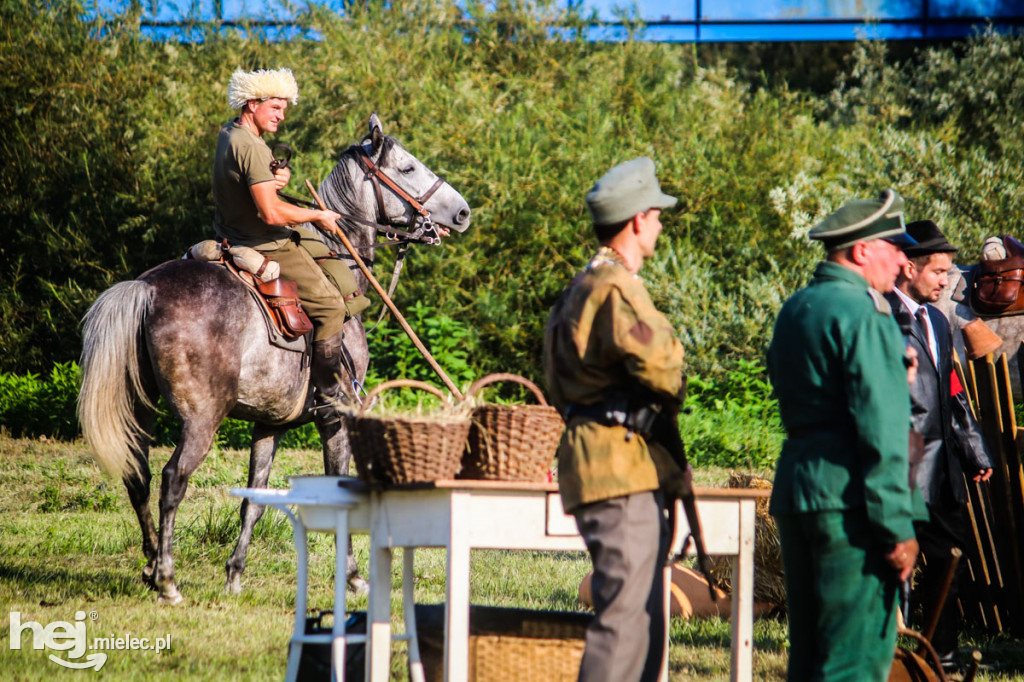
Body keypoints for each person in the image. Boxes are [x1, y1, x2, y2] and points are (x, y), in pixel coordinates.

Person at [767, 188, 921, 682]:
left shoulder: (797, 307)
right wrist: (897, 525)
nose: (902, 262)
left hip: (798, 493)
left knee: (809, 659)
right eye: (894, 247)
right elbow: (880, 427)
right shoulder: (864, 312)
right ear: (861, 251)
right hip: (851, 502)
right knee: (854, 662)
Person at [543, 157, 687, 682]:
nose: (661, 226)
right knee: (625, 623)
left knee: (642, 620)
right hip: (617, 464)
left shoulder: (584, 284)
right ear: (637, 220)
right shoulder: (618, 286)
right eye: (657, 215)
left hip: (607, 458)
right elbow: (665, 364)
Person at [213, 67, 369, 414]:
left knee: (326, 252)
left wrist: (274, 176)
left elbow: (248, 181)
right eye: (275, 108)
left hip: (233, 230)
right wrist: (318, 215)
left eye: (284, 109)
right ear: (252, 104)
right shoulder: (251, 146)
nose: (281, 116)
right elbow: (271, 214)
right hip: (264, 241)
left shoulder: (230, 133)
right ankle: (328, 395)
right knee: (330, 307)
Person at [884, 219, 993, 670]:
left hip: (944, 467)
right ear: (908, 267)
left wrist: (973, 450)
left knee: (951, 559)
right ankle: (887, 654)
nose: (947, 281)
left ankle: (942, 654)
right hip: (903, 465)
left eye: (949, 272)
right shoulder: (882, 315)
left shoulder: (938, 320)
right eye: (938, 272)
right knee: (893, 563)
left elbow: (953, 391)